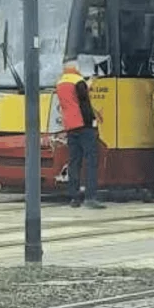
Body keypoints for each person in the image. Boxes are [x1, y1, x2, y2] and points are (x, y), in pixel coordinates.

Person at [56, 58, 104, 209]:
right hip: (84, 125)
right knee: (91, 160)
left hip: (70, 126)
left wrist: (87, 85)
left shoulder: (60, 82)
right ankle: (90, 197)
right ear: (76, 68)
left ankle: (74, 197)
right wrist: (93, 120)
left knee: (74, 162)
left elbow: (72, 100)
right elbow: (84, 102)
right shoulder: (78, 81)